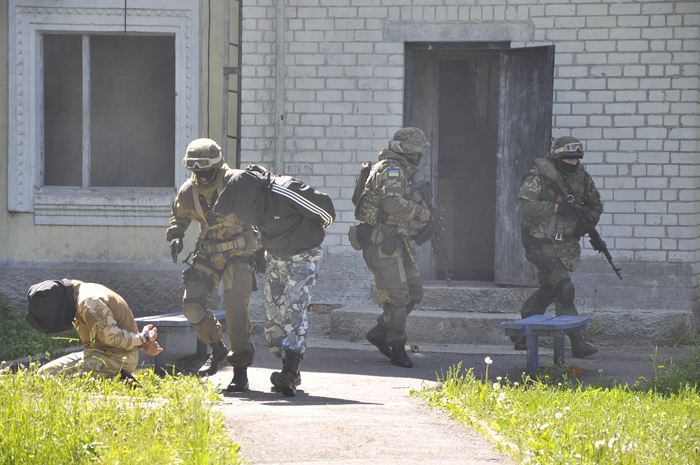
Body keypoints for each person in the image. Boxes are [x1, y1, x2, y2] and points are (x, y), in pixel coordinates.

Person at [213, 164, 335, 396]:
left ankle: (290, 370)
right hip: (276, 257)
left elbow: (327, 213)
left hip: (304, 254)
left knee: (294, 307)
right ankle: (290, 369)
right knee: (274, 315)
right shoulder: (251, 202)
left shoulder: (285, 189)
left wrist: (303, 234)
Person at [167, 138, 261, 392]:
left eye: (207, 171)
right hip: (208, 254)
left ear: (218, 166)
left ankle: (240, 370)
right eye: (196, 171)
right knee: (192, 305)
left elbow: (263, 211)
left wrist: (266, 247)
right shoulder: (189, 191)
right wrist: (176, 235)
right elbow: (179, 216)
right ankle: (217, 349)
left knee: (235, 310)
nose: (202, 176)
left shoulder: (237, 182)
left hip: (239, 254)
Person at [516, 136, 601, 358]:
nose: (573, 163)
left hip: (566, 243)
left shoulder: (581, 177)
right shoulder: (539, 175)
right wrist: (555, 207)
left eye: (576, 159)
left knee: (549, 289)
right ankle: (577, 341)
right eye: (568, 159)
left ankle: (521, 331)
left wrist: (586, 222)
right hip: (541, 241)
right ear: (557, 157)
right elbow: (526, 207)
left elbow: (595, 205)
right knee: (564, 287)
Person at [353, 127, 431, 369]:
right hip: (382, 245)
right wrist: (420, 211)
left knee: (414, 294)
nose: (419, 157)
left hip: (398, 242)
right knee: (398, 298)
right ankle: (397, 348)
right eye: (417, 152)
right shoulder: (392, 170)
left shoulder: (401, 170)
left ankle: (379, 333)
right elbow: (392, 205)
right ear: (407, 151)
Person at [26, 279, 163, 378]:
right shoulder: (78, 292)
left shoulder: (89, 301)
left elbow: (112, 337)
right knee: (43, 373)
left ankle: (119, 377)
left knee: (50, 376)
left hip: (118, 359)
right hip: (98, 353)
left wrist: (143, 338)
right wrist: (142, 342)